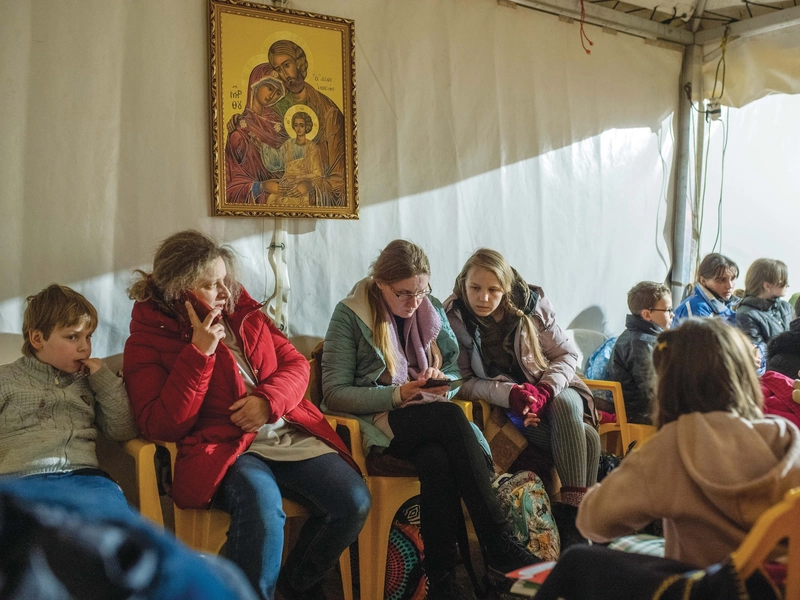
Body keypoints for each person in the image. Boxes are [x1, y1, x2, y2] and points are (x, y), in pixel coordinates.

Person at [123, 230, 370, 600]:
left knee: (353, 501)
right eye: (210, 285)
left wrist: (268, 402)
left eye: (225, 279)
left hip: (285, 432)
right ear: (179, 292)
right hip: (225, 447)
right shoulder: (147, 339)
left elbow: (295, 364)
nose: (224, 292)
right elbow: (160, 423)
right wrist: (198, 356)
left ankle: (297, 583)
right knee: (263, 511)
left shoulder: (243, 311)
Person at [0, 284, 252, 599]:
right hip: (22, 480)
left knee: (125, 545)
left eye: (88, 337)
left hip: (86, 481)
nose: (84, 347)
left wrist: (104, 379)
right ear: (37, 339)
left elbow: (122, 429)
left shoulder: (88, 381)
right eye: (72, 337)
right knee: (31, 549)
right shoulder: (6, 380)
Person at [322, 240, 538, 600]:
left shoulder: (430, 309)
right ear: (380, 283)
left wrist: (440, 381)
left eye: (422, 291)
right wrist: (399, 394)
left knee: (437, 458)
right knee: (451, 420)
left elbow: (454, 371)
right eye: (404, 293)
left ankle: (442, 582)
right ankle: (499, 544)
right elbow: (335, 393)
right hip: (376, 420)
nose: (415, 302)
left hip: (425, 416)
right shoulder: (350, 314)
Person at [576, 318, 800, 568]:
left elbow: (594, 523)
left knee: (579, 560)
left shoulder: (673, 445)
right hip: (780, 587)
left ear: (667, 384)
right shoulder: (785, 435)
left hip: (706, 588)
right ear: (744, 376)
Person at [445, 249, 600, 511]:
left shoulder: (532, 305)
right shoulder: (455, 318)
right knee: (588, 438)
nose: (483, 297)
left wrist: (544, 390)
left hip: (555, 386)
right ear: (464, 284)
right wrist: (512, 395)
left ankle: (572, 515)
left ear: (505, 289)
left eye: (494, 290)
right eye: (475, 288)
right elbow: (463, 382)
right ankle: (585, 519)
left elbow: (566, 354)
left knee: (564, 407)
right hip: (513, 403)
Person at [268, 40, 346, 207]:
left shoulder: (328, 112)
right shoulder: (275, 111)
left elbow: (341, 178)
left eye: (287, 65)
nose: (285, 74)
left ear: (299, 63)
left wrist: (311, 184)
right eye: (278, 70)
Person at [608, 281, 673, 425]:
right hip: (640, 413)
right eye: (668, 310)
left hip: (646, 407)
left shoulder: (645, 337)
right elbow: (650, 389)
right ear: (647, 314)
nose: (672, 314)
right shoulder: (640, 343)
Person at [224, 64, 290, 204]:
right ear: (255, 84)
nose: (272, 95)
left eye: (278, 93)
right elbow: (230, 182)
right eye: (270, 88)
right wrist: (261, 186)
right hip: (259, 199)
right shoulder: (239, 130)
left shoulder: (280, 125)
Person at [252, 110, 325, 207]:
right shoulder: (288, 144)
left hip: (301, 184)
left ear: (307, 127)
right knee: (273, 200)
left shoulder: (312, 148)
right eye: (296, 125)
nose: (298, 128)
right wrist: (261, 145)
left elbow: (318, 175)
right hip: (286, 183)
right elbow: (277, 160)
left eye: (301, 125)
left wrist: (300, 180)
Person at [736, 258, 793, 350]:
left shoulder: (786, 307)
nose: (788, 284)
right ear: (767, 286)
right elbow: (759, 353)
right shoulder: (745, 315)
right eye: (783, 280)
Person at [672, 253, 739, 326]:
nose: (729, 286)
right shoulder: (697, 309)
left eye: (732, 279)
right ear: (703, 281)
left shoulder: (724, 304)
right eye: (721, 280)